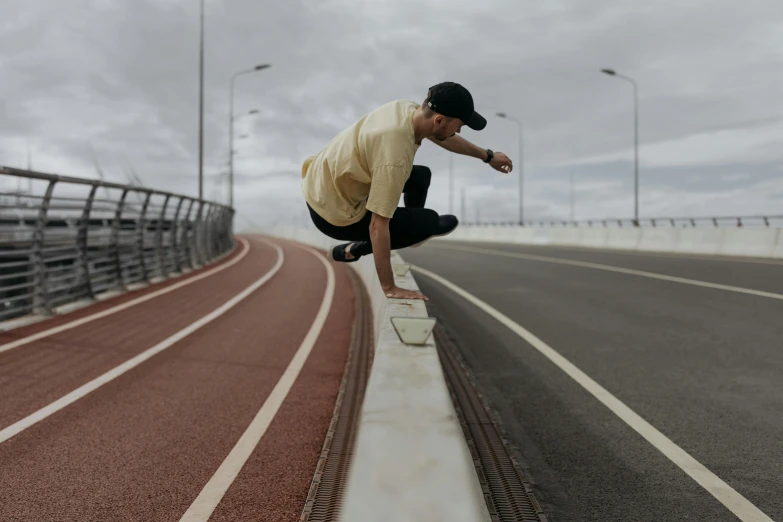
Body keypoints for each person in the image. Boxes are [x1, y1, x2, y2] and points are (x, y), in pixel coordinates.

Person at [300, 82, 513, 300]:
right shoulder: (394, 158)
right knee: (430, 221)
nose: (458, 131)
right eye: (458, 126)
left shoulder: (407, 109)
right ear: (439, 120)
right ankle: (359, 248)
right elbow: (377, 226)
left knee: (421, 176)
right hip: (334, 214)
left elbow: (446, 139)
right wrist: (390, 287)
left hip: (321, 185)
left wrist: (487, 156)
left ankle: (411, 229)